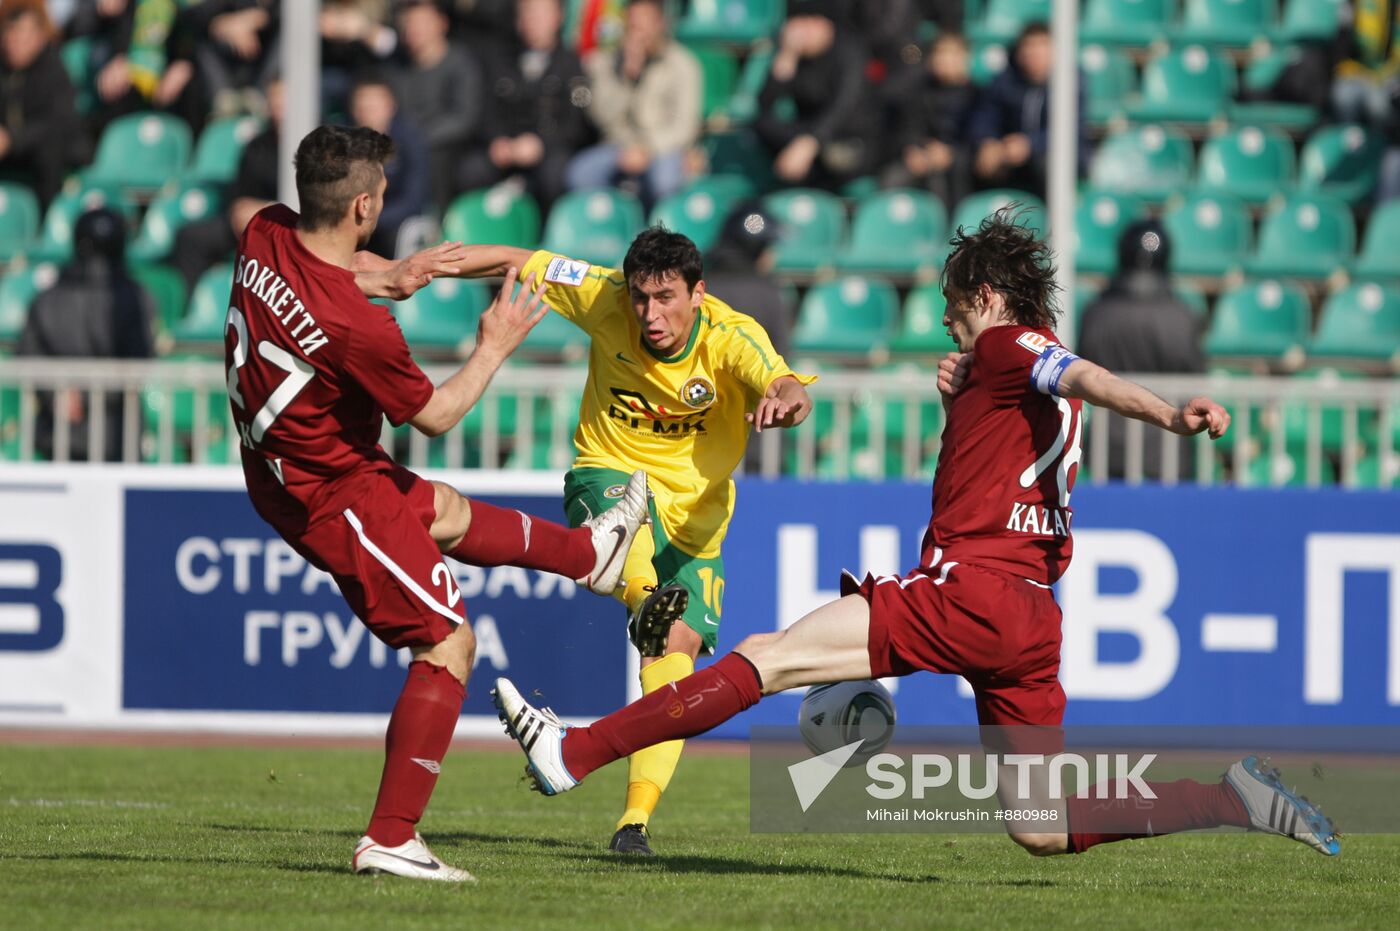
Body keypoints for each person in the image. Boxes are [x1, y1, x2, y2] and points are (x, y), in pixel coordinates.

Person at [492, 210, 1342, 862]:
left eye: (950, 310)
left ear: (982, 297)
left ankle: (574, 750)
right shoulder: (1014, 384)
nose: (947, 326)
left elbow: (1070, 365)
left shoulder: (1014, 343)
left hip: (967, 593)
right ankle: (1230, 798)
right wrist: (957, 404)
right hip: (1031, 619)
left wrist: (1168, 413)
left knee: (771, 655)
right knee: (1040, 826)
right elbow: (1013, 444)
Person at [226, 123, 652, 882]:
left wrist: (389, 272)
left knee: (445, 509)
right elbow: (436, 414)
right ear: (362, 204)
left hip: (282, 468)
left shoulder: (266, 230)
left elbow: (325, 275)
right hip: (335, 491)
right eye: (381, 194)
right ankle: (390, 836)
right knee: (449, 643)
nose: (384, 202)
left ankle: (591, 555)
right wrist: (494, 341)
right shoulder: (358, 331)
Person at [437, 226, 814, 855]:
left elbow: (783, 384)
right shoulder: (601, 292)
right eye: (641, 298)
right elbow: (514, 258)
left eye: (666, 297)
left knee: (676, 658)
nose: (650, 314)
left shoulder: (731, 334)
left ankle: (633, 823)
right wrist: (417, 268)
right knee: (637, 569)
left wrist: (788, 401)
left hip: (697, 518)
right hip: (612, 478)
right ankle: (645, 600)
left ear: (699, 293)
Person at [16, 206, 155, 461]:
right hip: (115, 437)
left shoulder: (47, 298)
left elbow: (26, 354)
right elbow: (142, 360)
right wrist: (63, 395)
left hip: (69, 434)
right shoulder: (136, 297)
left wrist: (60, 394)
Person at [1077, 219, 1206, 481]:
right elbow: (1196, 375)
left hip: (1108, 447)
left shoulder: (1096, 312)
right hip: (1167, 447)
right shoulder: (1180, 316)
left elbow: (1082, 369)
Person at [566, 0, 701, 211]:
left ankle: (658, 236)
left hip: (663, 148)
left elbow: (684, 127)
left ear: (660, 24)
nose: (639, 32)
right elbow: (601, 117)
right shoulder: (607, 63)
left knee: (664, 181)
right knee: (580, 174)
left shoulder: (682, 64)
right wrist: (626, 78)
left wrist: (648, 148)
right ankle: (611, 228)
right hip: (618, 147)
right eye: (633, 25)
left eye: (645, 23)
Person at [459, 0, 591, 210]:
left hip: (550, 150)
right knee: (470, 171)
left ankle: (549, 236)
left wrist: (542, 144)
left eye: (540, 13)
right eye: (527, 13)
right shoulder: (500, 60)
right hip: (506, 148)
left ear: (558, 17)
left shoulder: (572, 65)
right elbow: (485, 110)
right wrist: (497, 140)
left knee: (555, 174)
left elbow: (577, 124)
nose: (532, 20)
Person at [170, 73, 282, 292]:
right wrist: (238, 211)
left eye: (284, 97)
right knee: (191, 236)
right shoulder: (257, 146)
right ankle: (191, 311)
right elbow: (240, 194)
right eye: (274, 97)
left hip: (295, 226)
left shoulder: (318, 146)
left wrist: (269, 210)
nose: (278, 104)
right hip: (251, 223)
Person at [753, 0, 879, 190]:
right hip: (808, 129)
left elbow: (842, 108)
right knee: (761, 125)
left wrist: (811, 142)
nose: (804, 31)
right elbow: (764, 104)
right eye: (800, 22)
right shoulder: (795, 55)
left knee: (835, 155)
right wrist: (787, 56)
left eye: (811, 22)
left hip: (847, 137)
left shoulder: (849, 53)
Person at [967, 21, 1087, 199]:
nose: (1034, 53)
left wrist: (1030, 144)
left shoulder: (1071, 81)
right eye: (1029, 46)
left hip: (1058, 155)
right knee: (971, 161)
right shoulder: (1006, 80)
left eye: (1042, 45)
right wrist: (987, 142)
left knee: (1046, 163)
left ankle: (1055, 222)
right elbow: (986, 114)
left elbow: (1071, 128)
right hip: (1010, 154)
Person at [390, 0, 482, 208]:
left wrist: (418, 138)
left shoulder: (462, 63)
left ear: (442, 24)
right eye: (409, 23)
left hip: (447, 149)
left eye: (422, 22)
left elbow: (464, 118)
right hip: (404, 144)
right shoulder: (397, 67)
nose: (414, 29)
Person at [0, 0, 84, 209]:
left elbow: (56, 123)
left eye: (22, 36)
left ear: (39, 37)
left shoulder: (53, 69)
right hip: (14, 151)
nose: (15, 43)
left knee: (49, 149)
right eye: (10, 36)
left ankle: (46, 223)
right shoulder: (4, 70)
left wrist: (12, 139)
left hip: (52, 154)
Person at [881, 31, 977, 209]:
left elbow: (978, 136)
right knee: (893, 177)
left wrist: (952, 152)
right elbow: (908, 127)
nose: (945, 59)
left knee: (946, 174)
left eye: (952, 53)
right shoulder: (919, 91)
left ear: (966, 57)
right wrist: (911, 149)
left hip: (962, 161)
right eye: (940, 53)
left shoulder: (977, 95)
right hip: (923, 155)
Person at [348, 71, 428, 256]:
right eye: (363, 105)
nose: (368, 111)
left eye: (374, 105)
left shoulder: (410, 140)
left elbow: (413, 199)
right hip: (353, 220)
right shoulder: (344, 143)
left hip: (391, 223)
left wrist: (372, 219)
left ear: (390, 106)